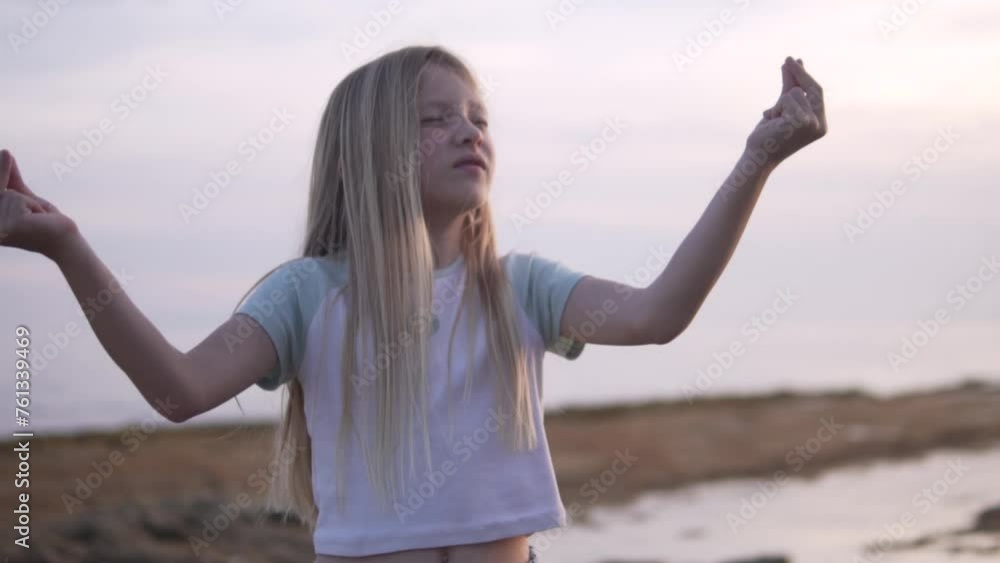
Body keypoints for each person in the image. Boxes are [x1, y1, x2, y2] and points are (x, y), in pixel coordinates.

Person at [0, 45, 826, 563]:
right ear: (373, 151)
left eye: (478, 118)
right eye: (436, 119)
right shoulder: (307, 294)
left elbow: (657, 314)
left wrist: (756, 159)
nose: (470, 131)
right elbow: (178, 389)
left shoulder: (520, 287)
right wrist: (66, 245)